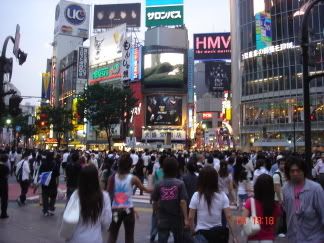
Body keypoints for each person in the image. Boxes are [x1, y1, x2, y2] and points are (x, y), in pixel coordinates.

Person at [107, 153, 152, 243]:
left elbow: (108, 194)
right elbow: (145, 189)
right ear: (130, 166)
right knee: (129, 236)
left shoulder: (112, 177)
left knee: (113, 234)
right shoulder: (133, 178)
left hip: (115, 210)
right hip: (128, 210)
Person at [64, 164, 112, 243]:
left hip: (75, 237)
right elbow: (107, 220)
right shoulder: (104, 196)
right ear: (96, 178)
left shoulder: (76, 194)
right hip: (95, 238)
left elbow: (68, 215)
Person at [188, 166, 236, 243]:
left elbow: (190, 217)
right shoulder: (222, 195)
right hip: (218, 234)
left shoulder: (196, 195)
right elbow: (229, 217)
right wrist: (234, 236)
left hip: (201, 234)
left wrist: (193, 231)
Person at [282, 156, 324, 243]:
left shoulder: (315, 189)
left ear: (304, 171)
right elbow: (287, 210)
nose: (295, 173)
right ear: (288, 173)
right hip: (293, 237)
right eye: (292, 171)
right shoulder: (286, 188)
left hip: (314, 238)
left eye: (298, 170)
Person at [151, 157, 189, 243]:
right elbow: (183, 202)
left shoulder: (159, 184)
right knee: (178, 239)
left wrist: (156, 214)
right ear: (176, 169)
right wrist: (186, 219)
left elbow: (155, 201)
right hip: (177, 218)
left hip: (163, 217)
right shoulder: (180, 183)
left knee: (162, 239)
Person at [242, 174, 281, 243]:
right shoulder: (275, 205)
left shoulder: (250, 202)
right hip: (268, 239)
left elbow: (242, 221)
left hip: (253, 239)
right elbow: (276, 226)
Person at [38, 151, 60, 216]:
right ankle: (51, 208)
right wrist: (57, 183)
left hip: (45, 182)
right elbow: (57, 175)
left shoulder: (43, 164)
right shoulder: (55, 164)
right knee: (53, 196)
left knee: (45, 196)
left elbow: (40, 173)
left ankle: (45, 210)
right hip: (53, 182)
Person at [273, 155, 287, 237]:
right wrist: (280, 200)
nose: (283, 165)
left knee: (284, 215)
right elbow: (277, 189)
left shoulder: (285, 173)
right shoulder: (276, 175)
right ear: (278, 165)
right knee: (279, 215)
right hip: (278, 199)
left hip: (284, 198)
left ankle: (283, 230)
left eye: (284, 163)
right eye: (281, 164)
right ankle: (277, 231)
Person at [0, 152, 10, 218]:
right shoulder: (6, 167)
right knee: (4, 199)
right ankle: (3, 213)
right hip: (3, 184)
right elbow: (7, 176)